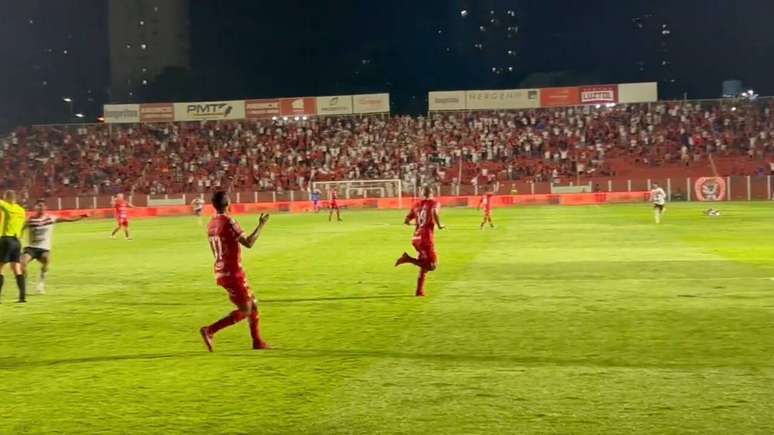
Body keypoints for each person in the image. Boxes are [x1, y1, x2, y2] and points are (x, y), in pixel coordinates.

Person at [200, 191, 270, 352]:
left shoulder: (211, 224)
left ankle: (257, 342)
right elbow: (249, 242)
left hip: (223, 270)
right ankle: (210, 330)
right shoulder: (229, 221)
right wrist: (261, 224)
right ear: (229, 203)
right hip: (232, 272)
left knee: (253, 305)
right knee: (247, 309)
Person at [22, 200, 88, 294]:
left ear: (45, 207)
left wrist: (80, 217)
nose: (41, 208)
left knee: (46, 261)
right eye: (39, 206)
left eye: (42, 206)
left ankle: (41, 284)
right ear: (35, 207)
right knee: (23, 263)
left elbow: (68, 219)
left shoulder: (51, 218)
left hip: (43, 248)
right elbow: (20, 229)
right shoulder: (30, 220)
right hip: (31, 247)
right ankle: (25, 284)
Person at [394, 186, 445, 297]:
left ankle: (419, 291)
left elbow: (406, 221)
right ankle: (407, 259)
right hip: (426, 239)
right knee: (432, 265)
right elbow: (434, 212)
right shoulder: (434, 203)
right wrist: (440, 225)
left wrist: (418, 225)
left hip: (416, 238)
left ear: (422, 194)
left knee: (424, 265)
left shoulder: (416, 205)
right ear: (432, 193)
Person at [0, 190, 27, 303]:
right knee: (16, 268)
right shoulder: (21, 210)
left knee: (0, 269)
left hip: (6, 240)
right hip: (17, 242)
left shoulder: (6, 205)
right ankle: (22, 297)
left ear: (7, 197)